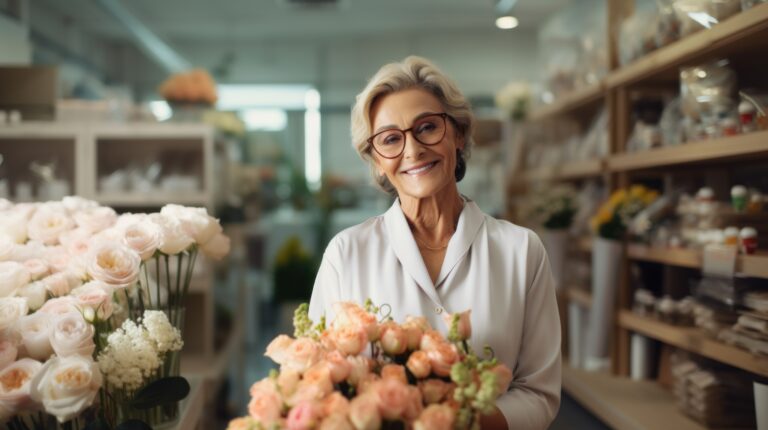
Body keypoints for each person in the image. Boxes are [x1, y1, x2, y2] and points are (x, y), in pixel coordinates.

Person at [308, 56, 561, 430]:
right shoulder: (346, 254)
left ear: (458, 135)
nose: (412, 150)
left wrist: (459, 421)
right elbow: (317, 386)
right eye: (391, 139)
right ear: (377, 160)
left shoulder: (521, 251)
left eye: (427, 127)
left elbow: (539, 393)